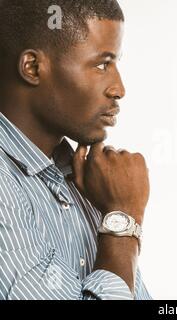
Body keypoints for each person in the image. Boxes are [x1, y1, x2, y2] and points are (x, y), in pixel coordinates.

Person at [0, 0, 152, 300]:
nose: (119, 88)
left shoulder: (85, 177)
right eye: (101, 64)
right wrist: (123, 220)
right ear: (32, 67)